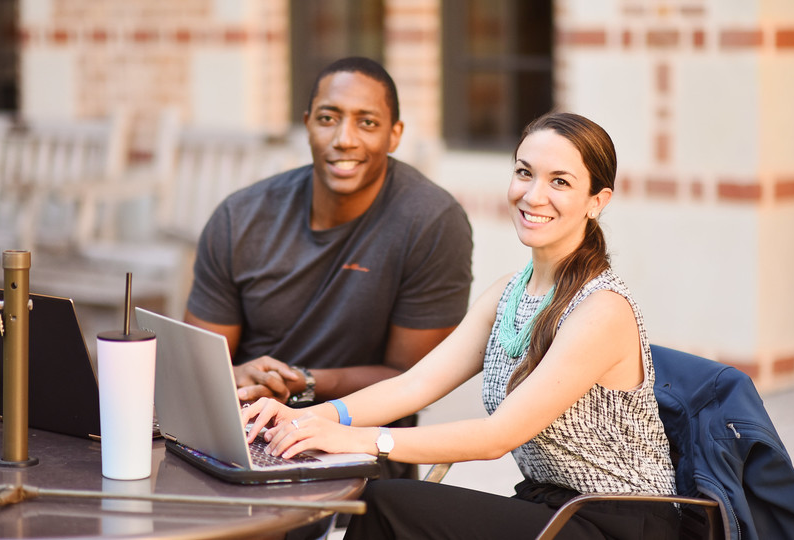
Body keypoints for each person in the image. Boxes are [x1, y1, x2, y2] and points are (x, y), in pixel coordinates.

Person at [242, 112, 680, 539]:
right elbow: (414, 386)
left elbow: (497, 437)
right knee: (387, 502)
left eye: (560, 182)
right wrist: (306, 419)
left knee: (388, 505)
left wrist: (358, 440)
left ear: (597, 201)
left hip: (617, 520)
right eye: (525, 173)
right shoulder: (511, 290)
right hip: (549, 506)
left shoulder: (601, 308)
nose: (533, 195)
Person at [184, 57, 473, 481]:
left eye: (367, 123)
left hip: (354, 444)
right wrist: (233, 374)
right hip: (243, 433)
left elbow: (412, 381)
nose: (344, 139)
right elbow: (194, 363)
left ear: (395, 134)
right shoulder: (240, 216)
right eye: (328, 118)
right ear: (307, 125)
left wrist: (306, 381)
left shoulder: (430, 221)